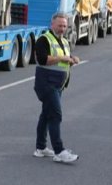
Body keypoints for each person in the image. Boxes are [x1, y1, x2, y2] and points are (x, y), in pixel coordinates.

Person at [33, 13, 80, 163]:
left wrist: (72, 59)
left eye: (64, 26)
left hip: (58, 85)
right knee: (56, 115)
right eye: (59, 25)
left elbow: (65, 58)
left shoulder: (64, 41)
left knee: (46, 115)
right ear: (52, 24)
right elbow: (42, 59)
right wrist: (62, 58)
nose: (62, 28)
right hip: (46, 84)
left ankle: (40, 148)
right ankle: (59, 151)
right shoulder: (43, 39)